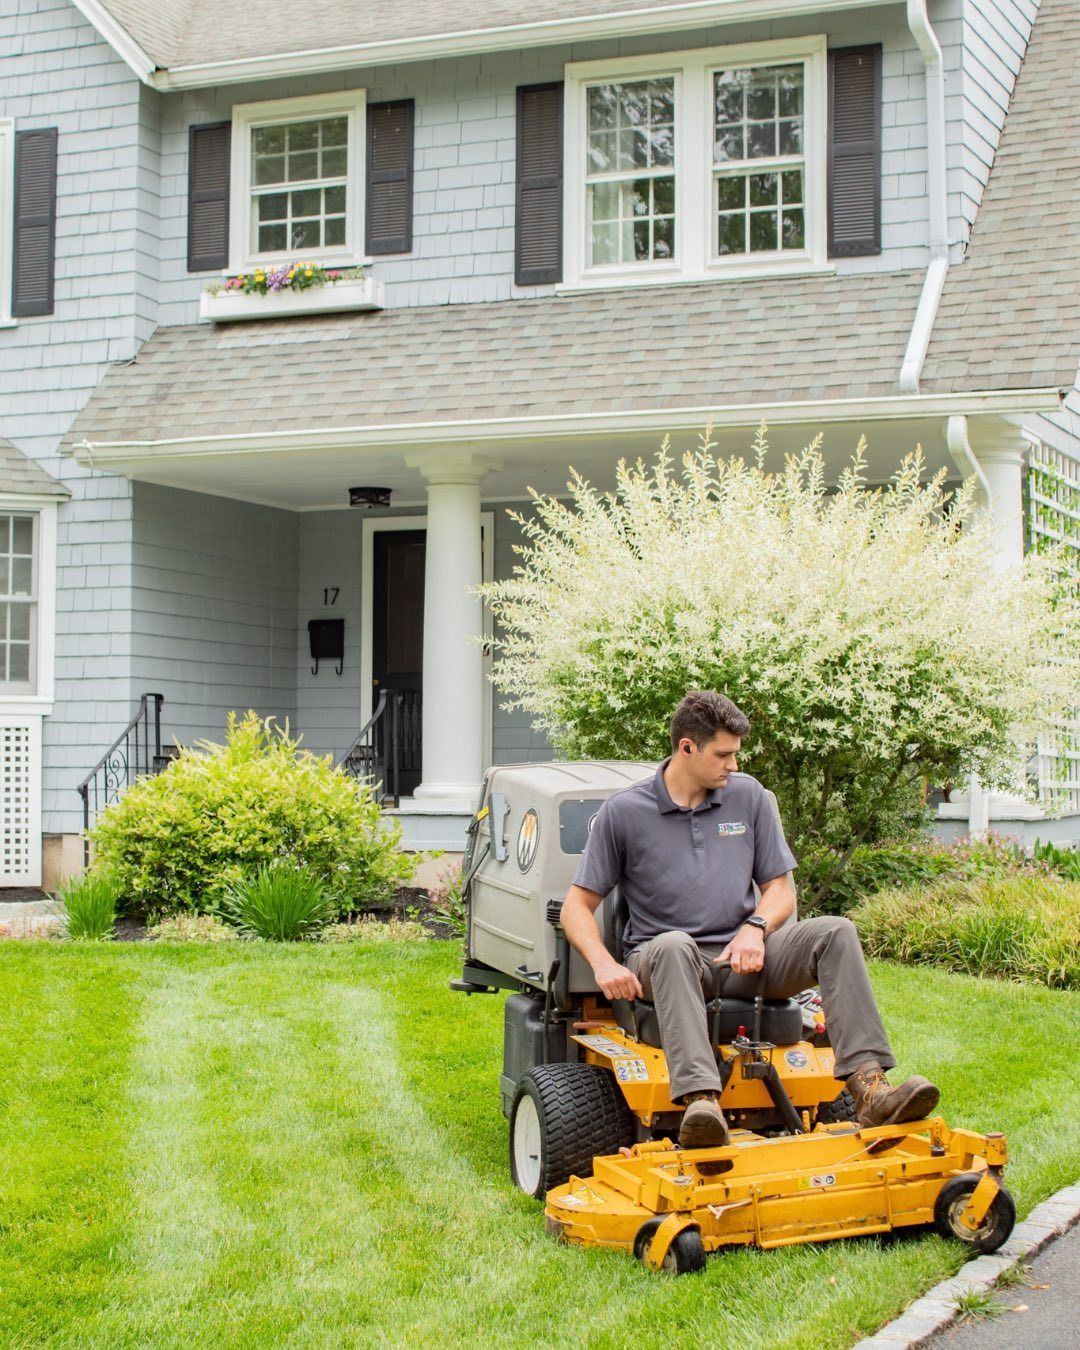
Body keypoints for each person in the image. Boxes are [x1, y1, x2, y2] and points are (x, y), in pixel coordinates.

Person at [560, 690, 940, 1149]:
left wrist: (755, 928)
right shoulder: (624, 813)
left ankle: (870, 1089)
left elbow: (780, 889)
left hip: (744, 959)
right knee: (674, 944)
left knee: (835, 932)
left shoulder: (749, 797)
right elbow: (576, 907)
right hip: (666, 962)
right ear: (687, 748)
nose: (733, 765)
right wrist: (604, 964)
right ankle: (701, 1103)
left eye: (736, 754)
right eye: (723, 754)